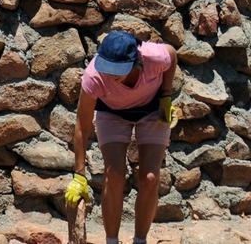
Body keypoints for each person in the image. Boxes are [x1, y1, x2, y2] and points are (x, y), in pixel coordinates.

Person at [66, 30, 178, 244]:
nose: (111, 75)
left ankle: (140, 240)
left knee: (150, 178)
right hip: (112, 113)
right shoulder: (94, 76)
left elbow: (172, 55)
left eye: (118, 70)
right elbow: (82, 125)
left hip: (152, 110)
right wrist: (79, 175)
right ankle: (111, 241)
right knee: (114, 173)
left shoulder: (153, 56)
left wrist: (166, 95)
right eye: (107, 68)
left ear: (135, 61)